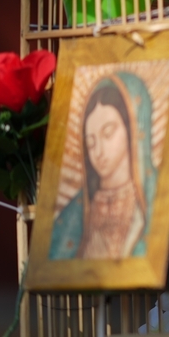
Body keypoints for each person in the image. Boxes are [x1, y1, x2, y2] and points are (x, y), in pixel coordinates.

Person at [50, 72, 158, 260]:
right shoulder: (75, 214)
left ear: (132, 129)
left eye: (108, 133)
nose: (98, 152)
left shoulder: (157, 196)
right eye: (90, 143)